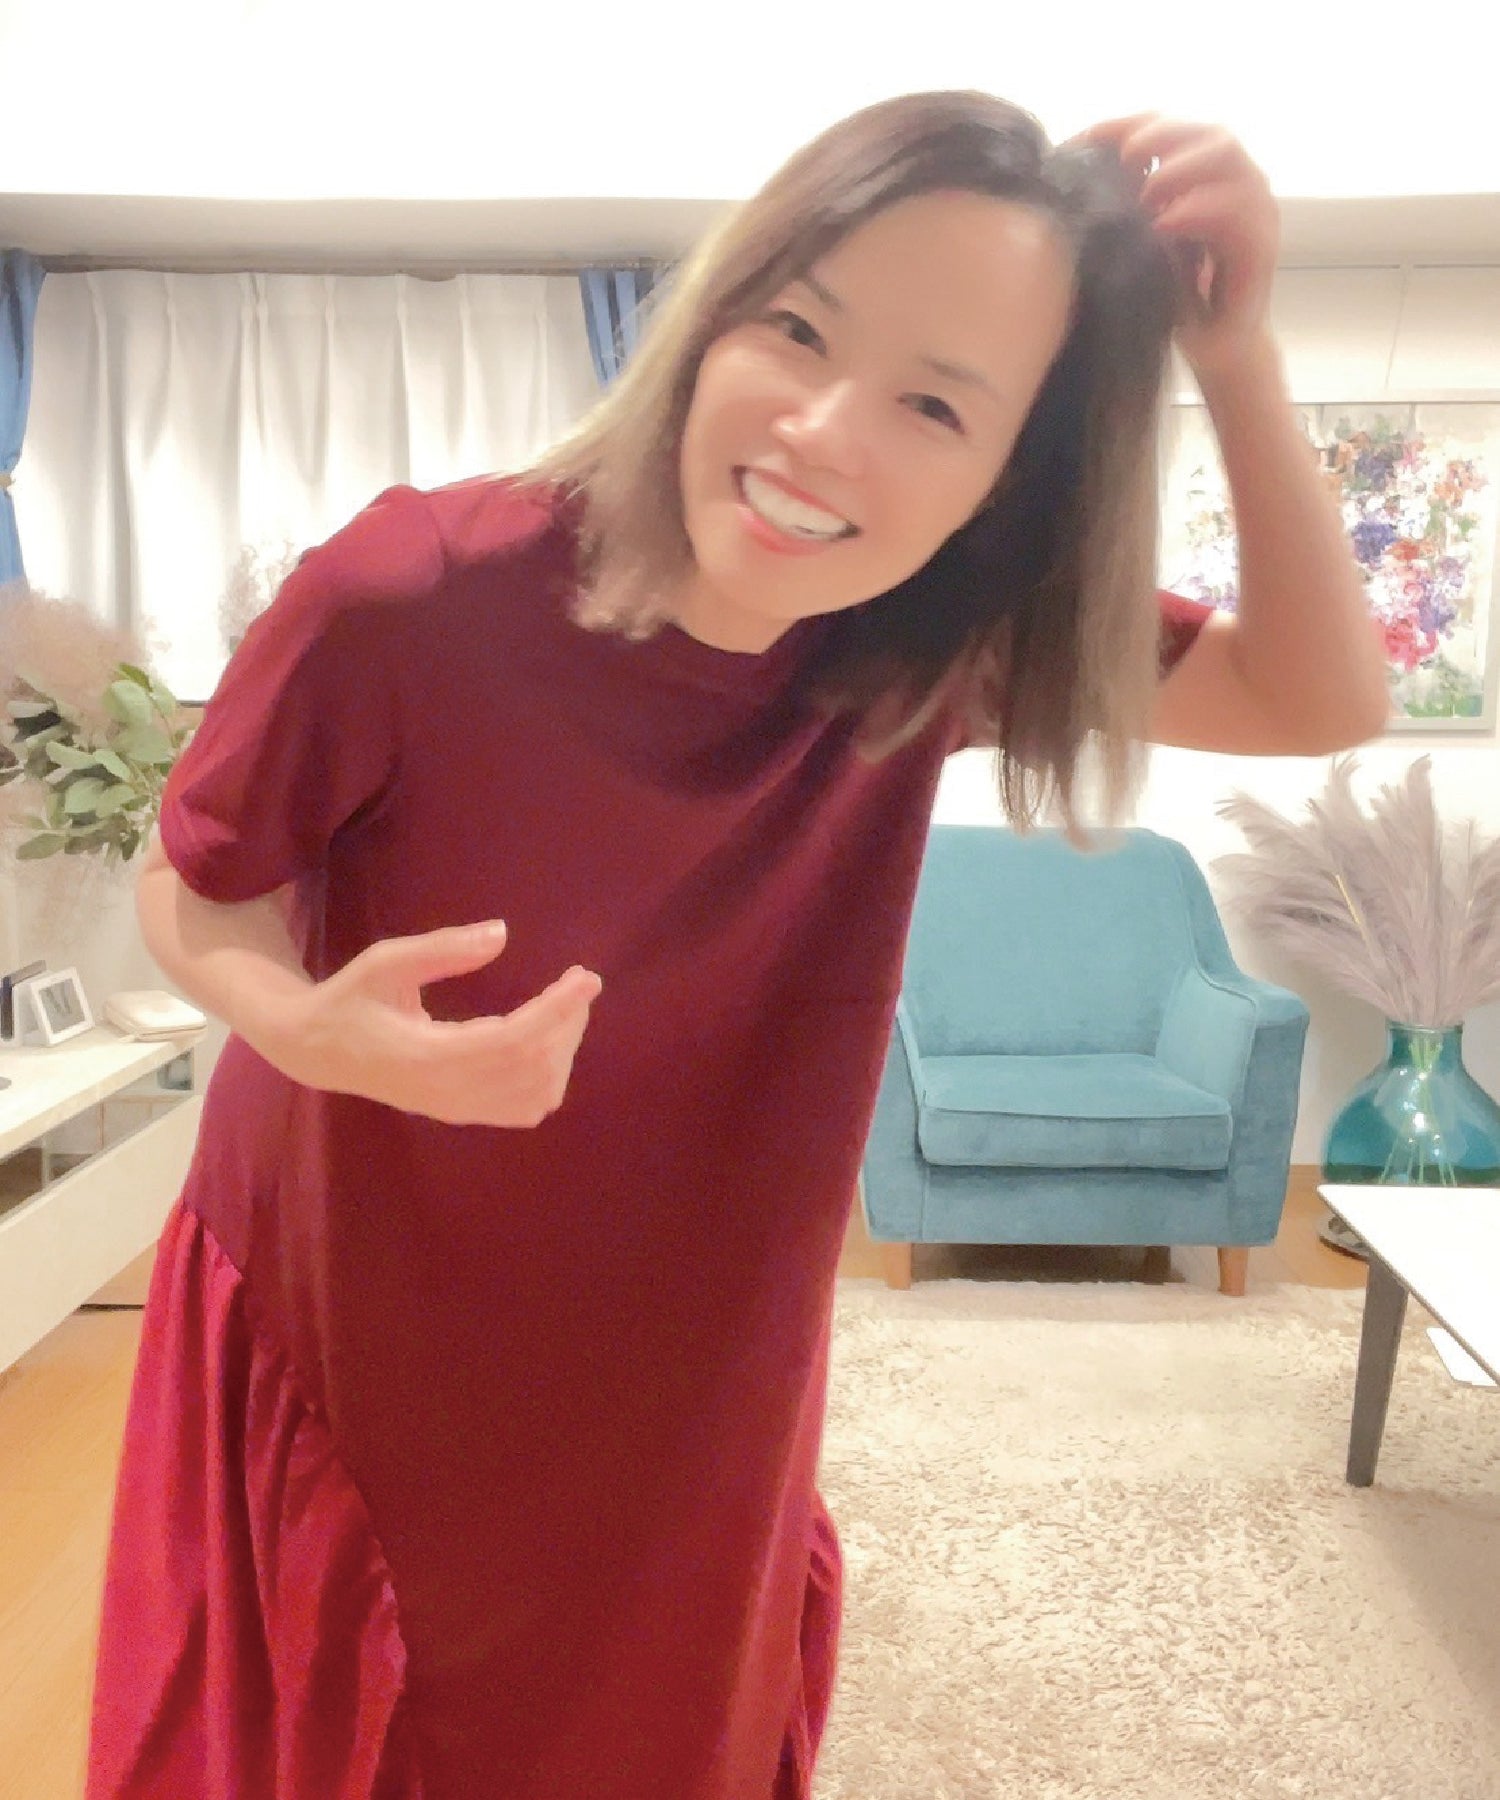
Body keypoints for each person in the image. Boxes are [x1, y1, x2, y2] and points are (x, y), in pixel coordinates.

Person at [86, 91, 1388, 1800]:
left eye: (937, 404)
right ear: (712, 317)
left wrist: (1233, 358)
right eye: (797, 330)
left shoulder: (941, 642)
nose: (822, 434)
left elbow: (1316, 696)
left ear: (1009, 480)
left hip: (690, 1340)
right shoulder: (415, 588)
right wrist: (307, 1027)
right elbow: (191, 876)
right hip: (374, 1319)